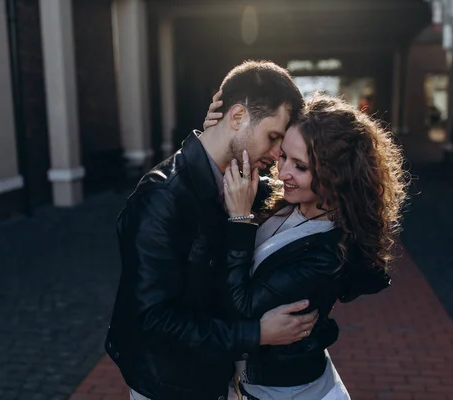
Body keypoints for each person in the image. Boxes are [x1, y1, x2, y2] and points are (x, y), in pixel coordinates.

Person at [105, 60, 319, 400]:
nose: (278, 153)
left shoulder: (243, 183)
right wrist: (255, 334)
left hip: (215, 374)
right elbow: (150, 323)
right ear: (236, 117)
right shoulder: (162, 198)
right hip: (169, 386)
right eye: (273, 137)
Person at [203, 92, 407, 399]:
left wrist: (241, 221)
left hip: (286, 392)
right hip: (254, 384)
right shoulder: (288, 200)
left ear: (335, 176)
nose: (283, 172)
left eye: (300, 166)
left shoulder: (328, 254)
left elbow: (240, 309)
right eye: (284, 155)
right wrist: (216, 135)